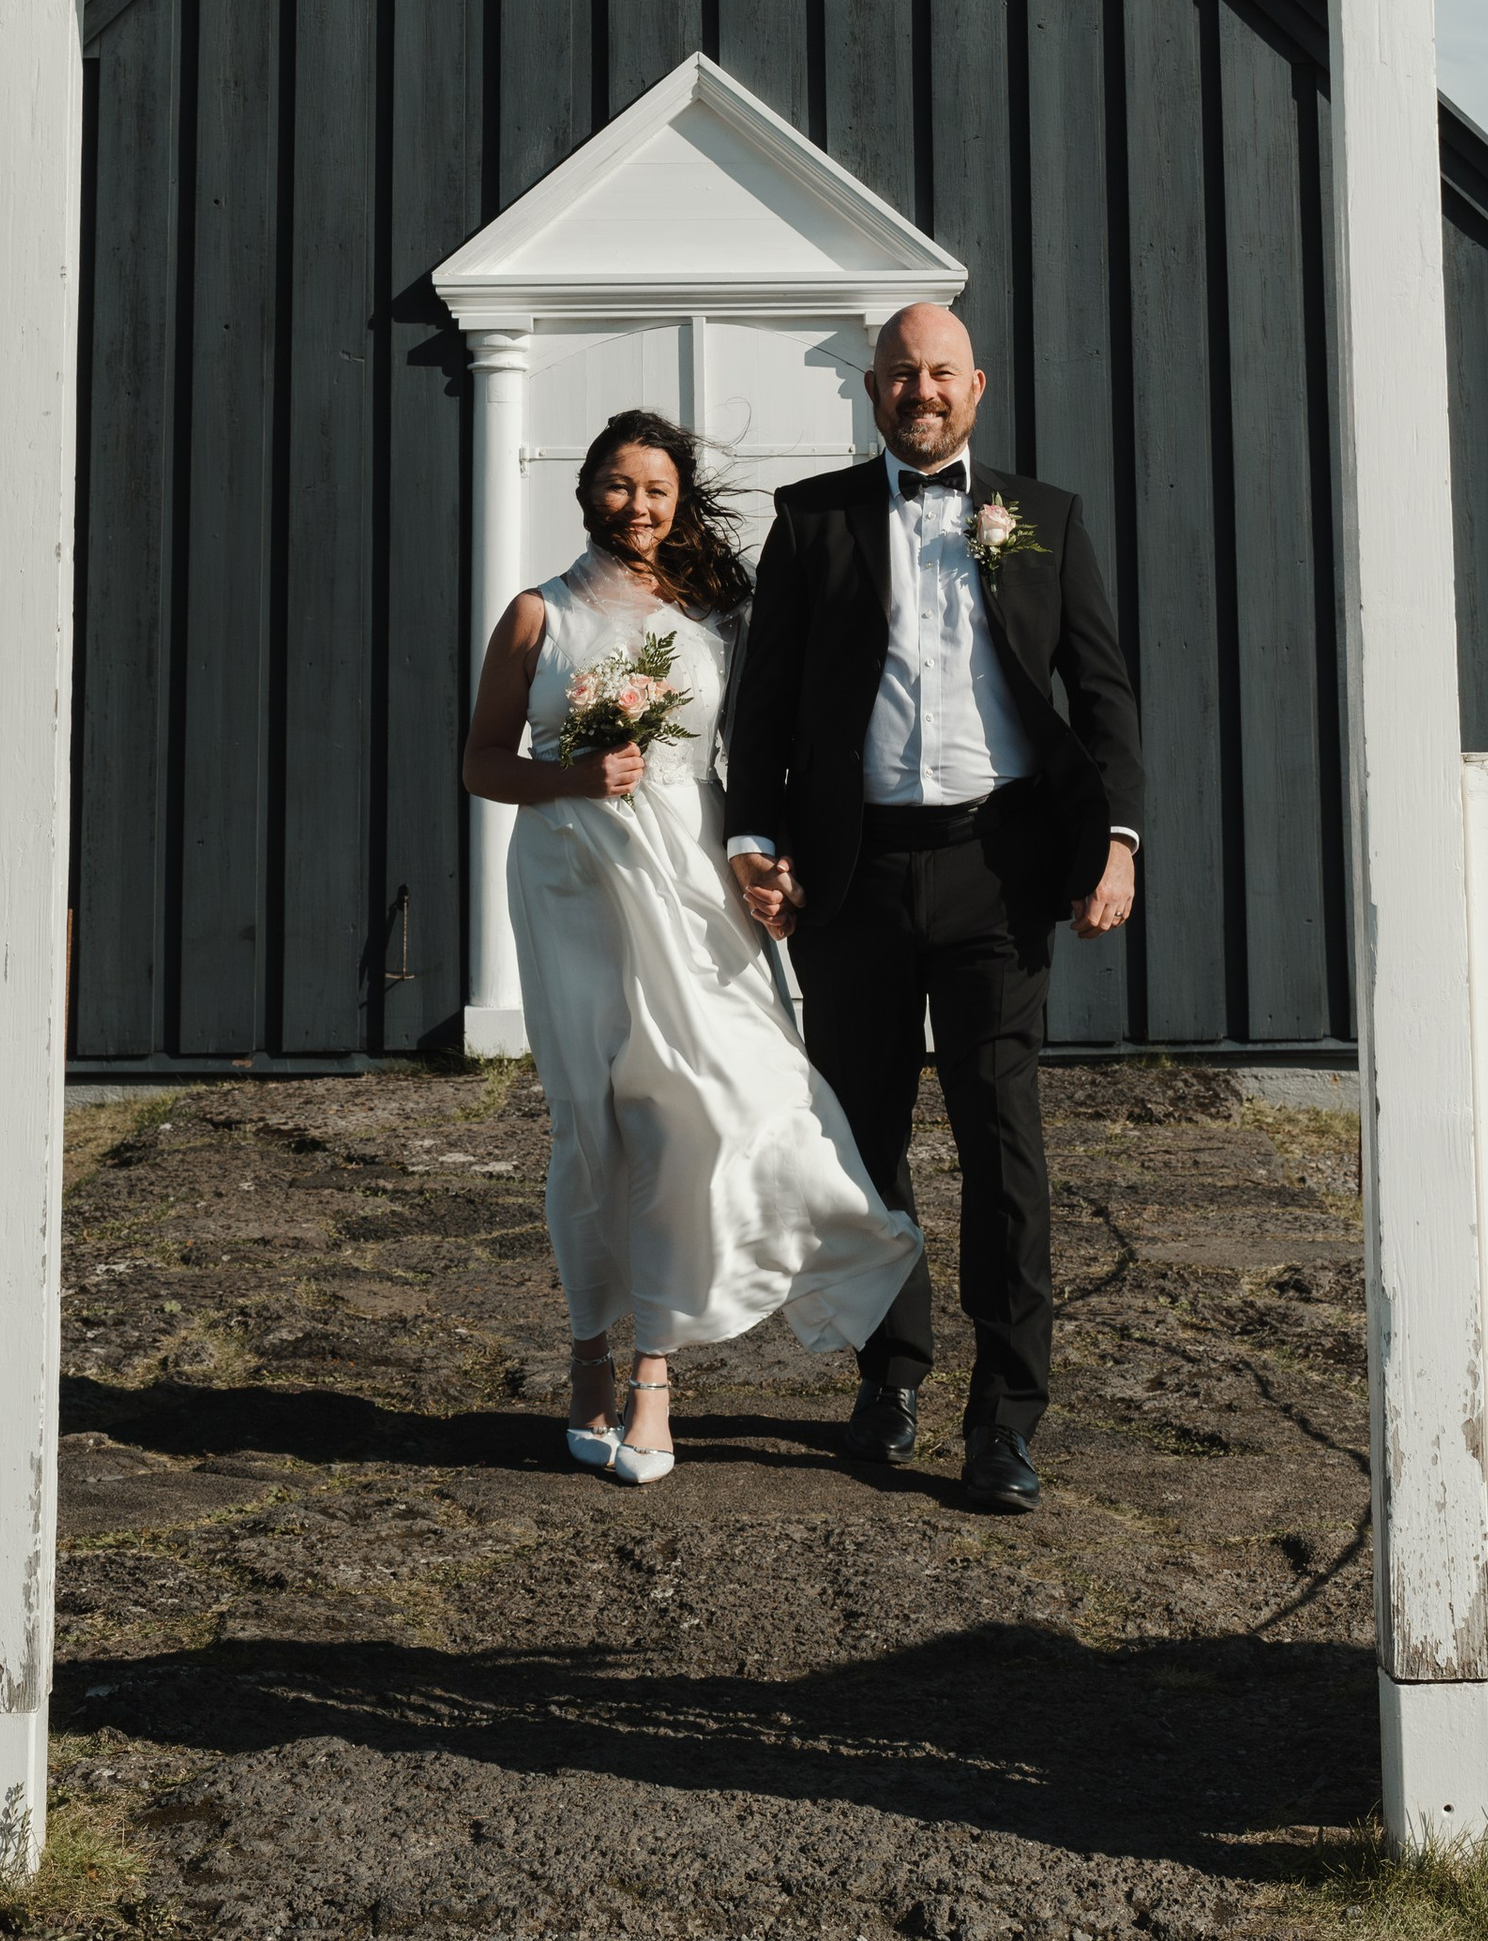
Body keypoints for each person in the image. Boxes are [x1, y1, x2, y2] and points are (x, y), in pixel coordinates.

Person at [721, 304, 1144, 1514]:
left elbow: (1102, 693)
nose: (921, 389)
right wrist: (756, 837)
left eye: (940, 372)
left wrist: (1114, 837)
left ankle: (1006, 1419)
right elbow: (765, 706)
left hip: (997, 869)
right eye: (901, 373)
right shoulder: (809, 521)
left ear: (978, 386)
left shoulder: (1044, 517)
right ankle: (888, 1378)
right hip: (850, 875)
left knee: (1002, 1146)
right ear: (871, 387)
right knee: (865, 1142)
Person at [462, 407, 918, 1485]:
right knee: (594, 1126)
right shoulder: (538, 614)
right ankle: (588, 1359)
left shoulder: (717, 609)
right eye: (620, 485)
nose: (640, 505)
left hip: (692, 871)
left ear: (678, 500)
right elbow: (481, 760)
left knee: (702, 1104)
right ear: (586, 491)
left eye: (657, 488)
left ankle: (656, 1370)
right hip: (571, 876)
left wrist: (767, 860)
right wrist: (571, 774)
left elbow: (759, 749)